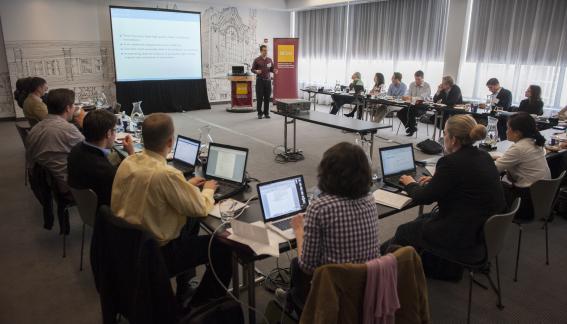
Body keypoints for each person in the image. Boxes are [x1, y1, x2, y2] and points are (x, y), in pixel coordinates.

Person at [111, 113, 232, 305]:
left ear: (143, 138)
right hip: (157, 255)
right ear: (170, 141)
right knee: (223, 248)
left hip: (128, 248)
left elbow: (151, 187)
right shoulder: (166, 174)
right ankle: (199, 307)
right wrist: (208, 190)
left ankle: (185, 287)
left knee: (188, 221)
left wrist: (184, 185)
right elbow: (201, 207)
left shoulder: (128, 161)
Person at [382, 115, 505, 265]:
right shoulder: (484, 156)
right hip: (481, 229)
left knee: (403, 230)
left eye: (445, 133)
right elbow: (463, 180)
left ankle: (394, 269)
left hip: (462, 233)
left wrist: (409, 183)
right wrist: (438, 180)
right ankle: (397, 253)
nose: (443, 136)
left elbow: (423, 198)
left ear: (453, 139)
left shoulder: (450, 162)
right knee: (422, 219)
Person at [282, 142, 380, 313]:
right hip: (366, 285)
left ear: (327, 172)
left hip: (333, 292)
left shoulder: (320, 207)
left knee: (296, 265)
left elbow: (308, 266)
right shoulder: (370, 199)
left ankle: (299, 305)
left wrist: (299, 231)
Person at [67, 109, 135, 206]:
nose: (115, 134)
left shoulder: (76, 149)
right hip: (106, 212)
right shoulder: (105, 170)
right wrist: (132, 154)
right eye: (115, 130)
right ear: (108, 133)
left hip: (87, 206)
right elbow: (131, 185)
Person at [26, 89, 84, 194]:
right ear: (67, 108)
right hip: (66, 186)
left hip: (43, 182)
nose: (74, 107)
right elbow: (90, 150)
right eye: (73, 105)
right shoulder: (68, 129)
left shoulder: (35, 128)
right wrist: (83, 124)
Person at [494, 113, 550, 220]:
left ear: (517, 133)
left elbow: (494, 169)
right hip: (541, 200)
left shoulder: (519, 148)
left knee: (492, 186)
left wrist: (495, 160)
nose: (506, 131)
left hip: (525, 204)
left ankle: (494, 224)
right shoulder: (536, 143)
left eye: (508, 128)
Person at [398, 70, 432, 136]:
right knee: (399, 113)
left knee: (410, 111)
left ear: (422, 78)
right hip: (412, 105)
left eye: (418, 79)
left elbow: (422, 97)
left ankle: (411, 128)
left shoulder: (427, 86)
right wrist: (405, 97)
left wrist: (411, 98)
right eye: (415, 79)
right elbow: (408, 94)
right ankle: (412, 127)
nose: (417, 81)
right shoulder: (412, 84)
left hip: (422, 107)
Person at [252, 45, 276, 119]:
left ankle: (266, 113)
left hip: (268, 81)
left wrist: (274, 71)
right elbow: (252, 69)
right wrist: (256, 71)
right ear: (261, 51)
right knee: (259, 98)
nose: (265, 52)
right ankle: (259, 113)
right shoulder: (257, 60)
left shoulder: (269, 60)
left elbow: (271, 69)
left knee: (267, 98)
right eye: (264, 50)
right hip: (260, 81)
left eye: (266, 50)